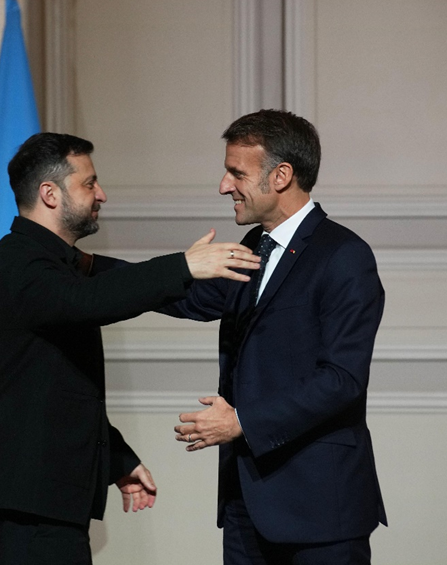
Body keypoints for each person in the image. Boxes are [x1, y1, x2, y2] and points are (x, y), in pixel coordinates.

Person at [0, 132, 260, 565]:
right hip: (30, 501)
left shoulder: (52, 264)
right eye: (89, 183)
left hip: (43, 499)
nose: (101, 194)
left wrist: (117, 458)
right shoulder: (20, 262)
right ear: (50, 194)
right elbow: (89, 301)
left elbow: (58, 383)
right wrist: (184, 265)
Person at [166, 110, 387, 564]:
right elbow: (185, 298)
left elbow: (342, 379)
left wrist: (241, 422)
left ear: (281, 176)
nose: (224, 186)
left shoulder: (344, 256)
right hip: (246, 507)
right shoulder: (251, 249)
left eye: (237, 173)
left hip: (320, 511)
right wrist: (82, 267)